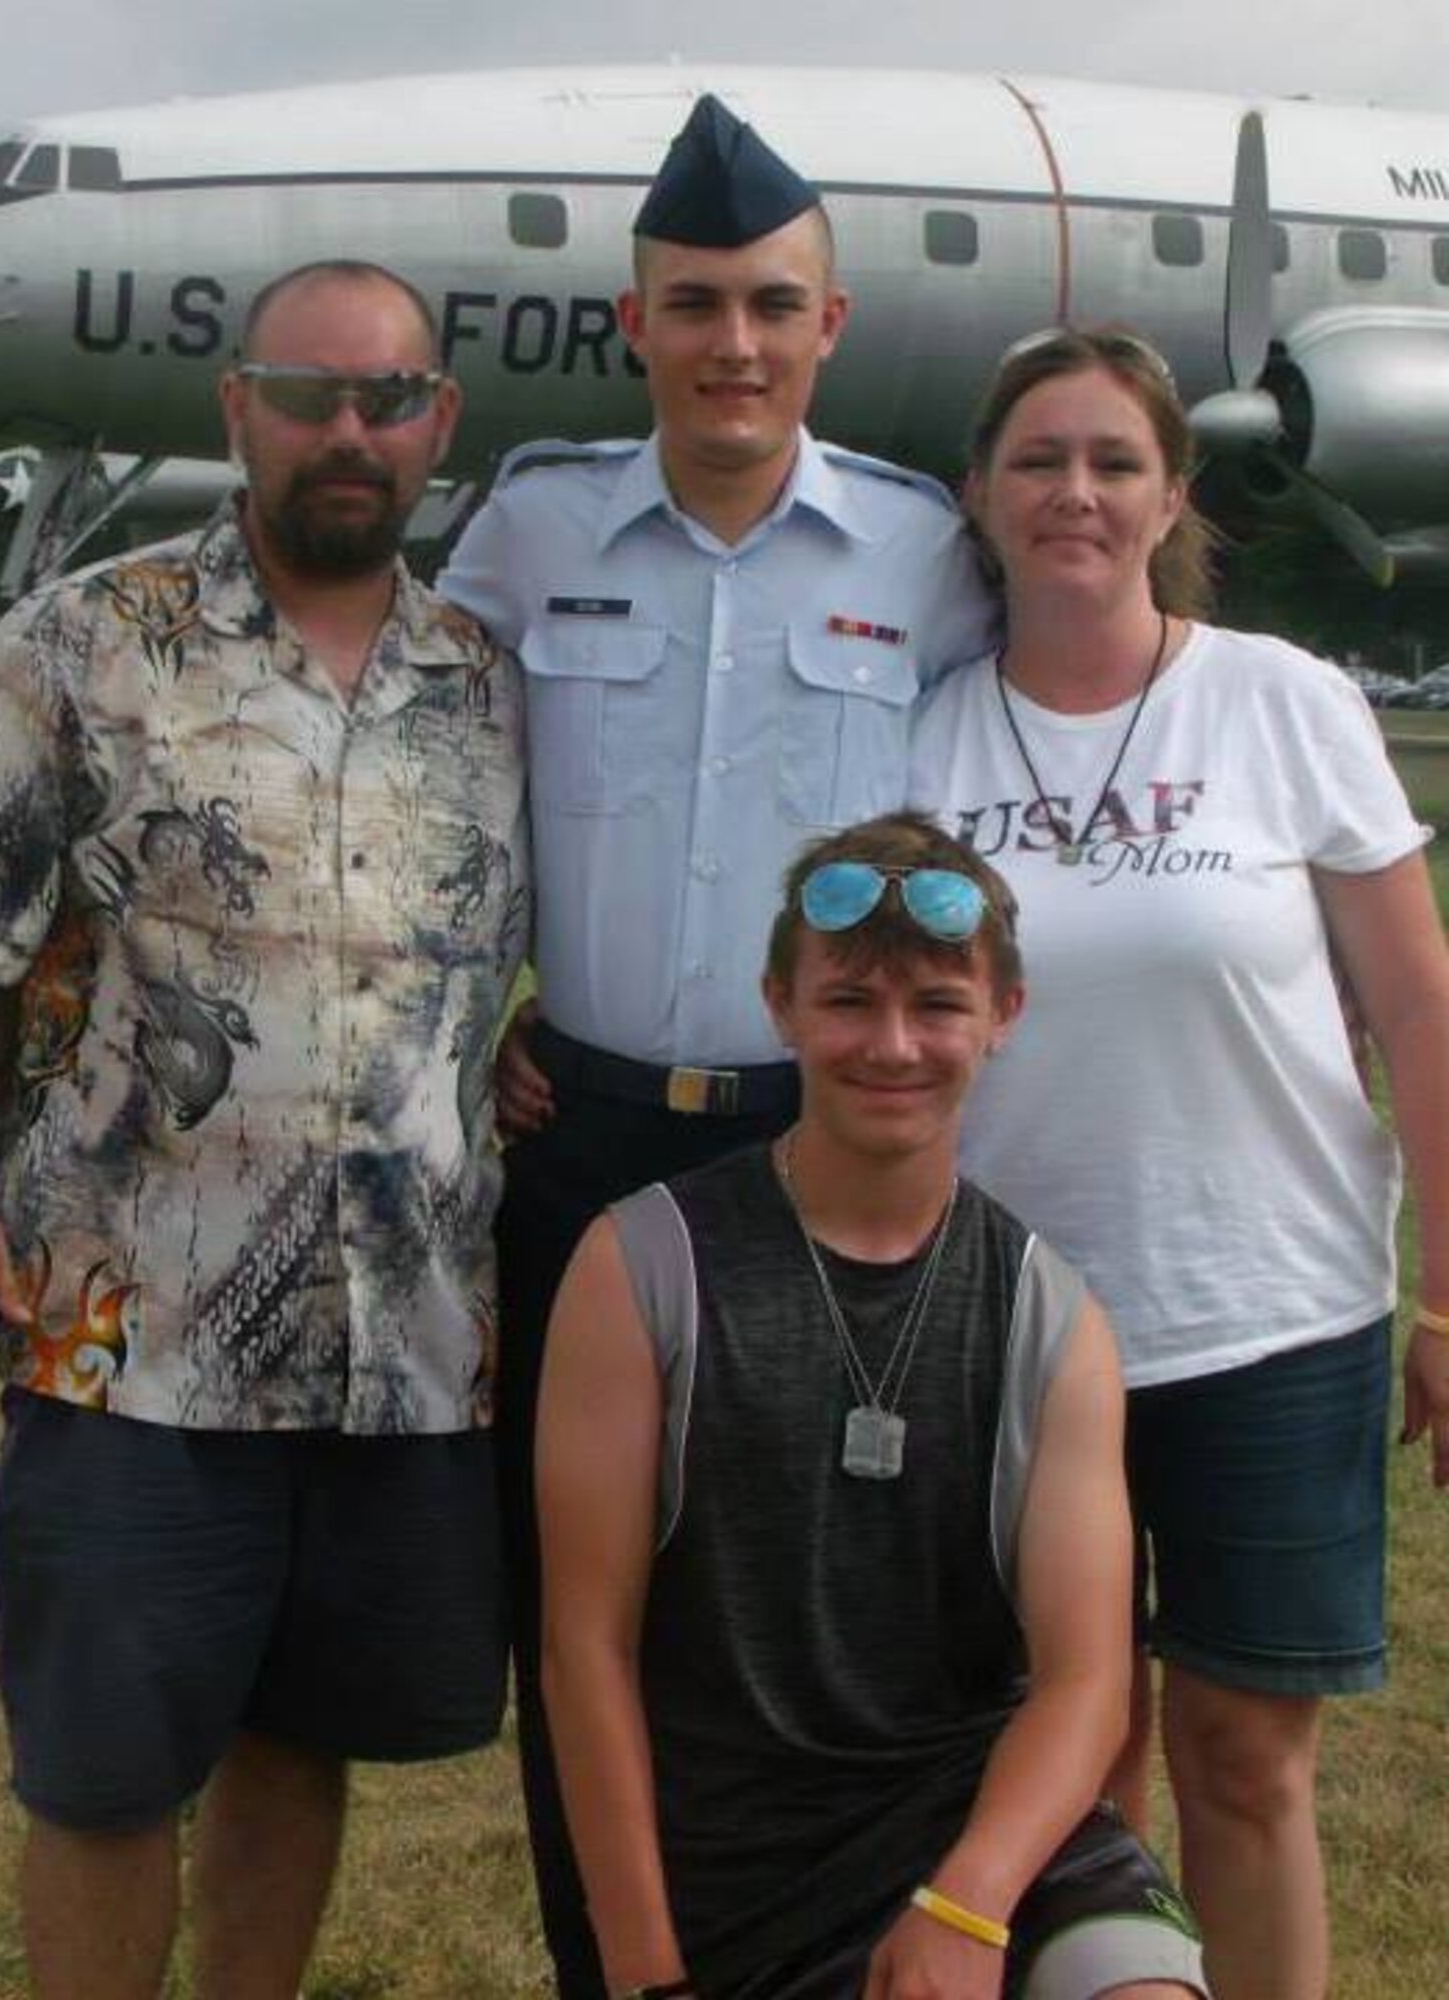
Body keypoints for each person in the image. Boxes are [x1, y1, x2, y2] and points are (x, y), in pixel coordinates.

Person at [0, 259, 529, 2000]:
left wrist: (511, 1050)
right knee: (101, 1775)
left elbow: (486, 955)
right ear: (235, 406)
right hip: (128, 1335)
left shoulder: (490, 686)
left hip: (404, 1348)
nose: (347, 433)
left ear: (438, 425)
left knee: (299, 1741)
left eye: (387, 400)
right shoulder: (82, 644)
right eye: (307, 394)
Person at [437, 92, 995, 1993]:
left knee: (808, 1604)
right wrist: (482, 1008)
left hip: (814, 1146)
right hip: (577, 1138)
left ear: (828, 328)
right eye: (695, 305)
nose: (733, 343)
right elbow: (439, 789)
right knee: (573, 1609)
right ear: (635, 324)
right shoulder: (531, 525)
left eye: (771, 304)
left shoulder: (925, 552)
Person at [908, 325, 1449, 2000]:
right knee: (1063, 1767)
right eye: (1039, 460)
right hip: (1009, 1329)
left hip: (1268, 1320)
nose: (1076, 493)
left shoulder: (1283, 701)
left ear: (1170, 496)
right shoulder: (921, 734)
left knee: (1244, 1761)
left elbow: (1422, 1024)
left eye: (1113, 463)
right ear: (983, 498)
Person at [538, 812, 1209, 2000]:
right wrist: (644, 1970)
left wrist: (967, 1900)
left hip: (988, 1837)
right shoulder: (639, 1266)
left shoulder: (1049, 1316)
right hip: (735, 1860)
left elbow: (1083, 1681)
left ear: (1002, 1014)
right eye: (847, 1000)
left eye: (937, 1004)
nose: (891, 1045)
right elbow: (584, 1648)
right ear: (779, 1005)